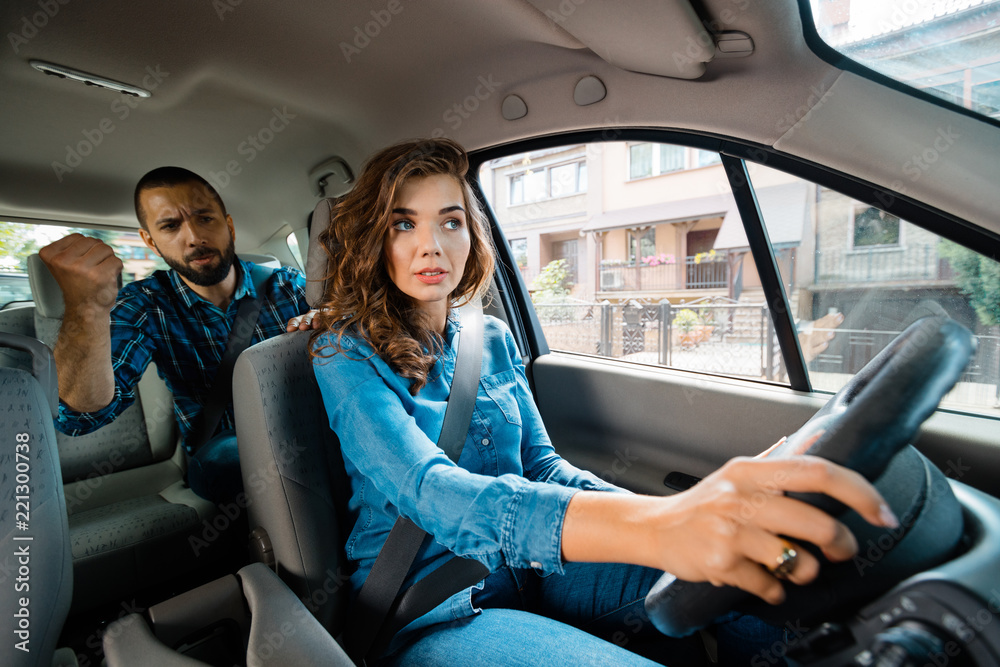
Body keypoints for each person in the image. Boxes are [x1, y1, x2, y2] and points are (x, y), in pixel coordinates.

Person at [309, 139, 899, 666]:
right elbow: (433, 493)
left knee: (751, 579)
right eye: (402, 224)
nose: (431, 245)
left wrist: (683, 510)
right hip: (434, 605)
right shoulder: (343, 354)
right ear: (373, 240)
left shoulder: (487, 337)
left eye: (451, 221)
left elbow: (543, 466)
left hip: (532, 569)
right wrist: (656, 525)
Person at [40, 166, 316, 503]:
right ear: (150, 241)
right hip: (228, 461)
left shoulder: (288, 286)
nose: (193, 237)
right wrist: (86, 308)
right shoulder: (145, 304)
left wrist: (327, 323)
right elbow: (79, 417)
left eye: (205, 219)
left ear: (228, 226)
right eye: (171, 226)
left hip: (310, 436)